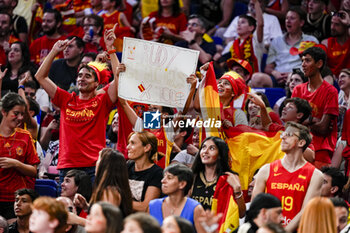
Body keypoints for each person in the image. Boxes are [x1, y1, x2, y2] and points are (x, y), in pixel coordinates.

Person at [35, 26, 120, 184]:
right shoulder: (66, 99)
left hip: (94, 167)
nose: (82, 78)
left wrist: (111, 49)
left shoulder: (102, 101)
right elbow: (40, 76)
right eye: (80, 75)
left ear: (96, 84)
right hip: (68, 166)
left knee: (92, 208)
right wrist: (54, 51)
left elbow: (120, 79)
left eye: (88, 76)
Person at [252, 122, 323, 232]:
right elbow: (255, 207)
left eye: (289, 135)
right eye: (283, 134)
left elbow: (306, 211)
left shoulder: (315, 175)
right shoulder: (266, 170)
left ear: (301, 142)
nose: (283, 137)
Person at [292, 47, 339, 169]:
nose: (303, 65)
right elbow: (291, 122)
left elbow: (324, 128)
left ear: (319, 63)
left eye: (307, 61)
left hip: (321, 151)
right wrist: (314, 121)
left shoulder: (331, 92)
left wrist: (302, 122)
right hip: (297, 145)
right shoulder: (298, 89)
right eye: (302, 61)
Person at [0, 92, 40, 220]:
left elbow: (34, 171)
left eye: (22, 114)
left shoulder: (25, 136)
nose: (20, 117)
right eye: (16, 113)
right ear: (4, 112)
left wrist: (16, 164)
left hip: (15, 200)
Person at [191, 136, 246, 217]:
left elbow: (241, 214)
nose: (205, 151)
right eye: (203, 147)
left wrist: (237, 190)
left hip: (218, 227)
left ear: (220, 155)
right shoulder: (193, 175)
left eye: (212, 148)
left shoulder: (230, 177)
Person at [263, 7, 318, 86]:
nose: (288, 21)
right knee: (257, 78)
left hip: (300, 79)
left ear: (301, 23)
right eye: (286, 18)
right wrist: (274, 73)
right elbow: (268, 68)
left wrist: (294, 74)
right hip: (278, 78)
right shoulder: (276, 41)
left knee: (297, 80)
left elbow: (314, 66)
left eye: (292, 18)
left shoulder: (311, 41)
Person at [149, 163, 206, 233]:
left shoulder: (195, 208)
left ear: (182, 184)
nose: (162, 181)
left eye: (169, 177)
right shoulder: (153, 205)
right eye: (164, 177)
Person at [79, 148, 133, 217]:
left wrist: (77, 220)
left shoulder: (110, 192)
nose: (96, 162)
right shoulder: (108, 189)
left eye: (98, 159)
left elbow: (107, 224)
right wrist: (86, 207)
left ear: (105, 165)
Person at [127, 131, 163, 212]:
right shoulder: (127, 166)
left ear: (146, 147)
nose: (127, 147)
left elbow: (146, 207)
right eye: (128, 143)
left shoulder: (157, 173)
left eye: (132, 143)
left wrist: (120, 201)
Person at [321, 10, 350, 77]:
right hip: (333, 81)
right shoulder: (326, 43)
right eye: (332, 23)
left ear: (345, 26)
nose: (332, 27)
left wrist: (348, 23)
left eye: (337, 24)